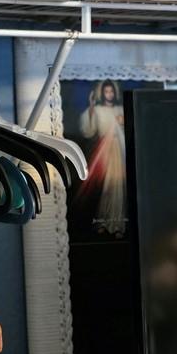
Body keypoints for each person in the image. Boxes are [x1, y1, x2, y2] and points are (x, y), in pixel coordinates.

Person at [76, 79, 126, 237]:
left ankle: (118, 225)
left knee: (119, 187)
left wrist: (122, 122)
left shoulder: (120, 109)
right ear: (102, 93)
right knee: (106, 188)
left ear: (115, 93)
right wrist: (91, 109)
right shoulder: (97, 110)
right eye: (106, 91)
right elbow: (89, 131)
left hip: (120, 150)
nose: (109, 94)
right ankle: (103, 222)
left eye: (111, 91)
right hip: (104, 152)